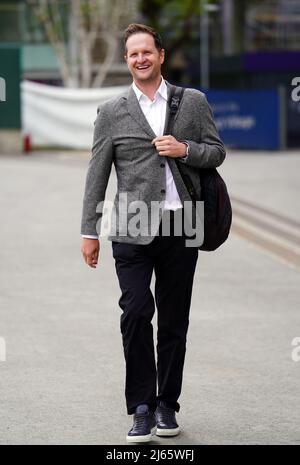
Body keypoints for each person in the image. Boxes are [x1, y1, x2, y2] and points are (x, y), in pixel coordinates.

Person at [81, 23, 226, 443]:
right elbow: (97, 173)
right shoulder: (111, 112)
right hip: (131, 227)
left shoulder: (192, 102)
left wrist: (186, 151)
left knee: (175, 320)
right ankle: (141, 407)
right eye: (132, 54)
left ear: (161, 55)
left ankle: (167, 406)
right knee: (136, 313)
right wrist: (88, 230)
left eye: (147, 51)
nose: (140, 58)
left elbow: (216, 151)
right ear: (126, 61)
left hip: (184, 225)